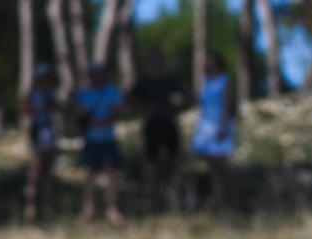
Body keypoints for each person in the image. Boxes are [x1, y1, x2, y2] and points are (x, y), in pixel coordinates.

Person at [129, 48, 186, 212]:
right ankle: (151, 199)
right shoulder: (143, 80)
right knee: (150, 163)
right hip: (151, 126)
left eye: (158, 59)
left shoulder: (170, 79)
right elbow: (131, 100)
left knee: (175, 163)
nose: (156, 62)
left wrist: (176, 109)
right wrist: (143, 111)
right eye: (153, 59)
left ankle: (177, 200)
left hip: (169, 124)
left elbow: (186, 97)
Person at [73, 62, 124, 223]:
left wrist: (104, 120)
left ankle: (112, 209)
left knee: (111, 174)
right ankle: (88, 209)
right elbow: (76, 113)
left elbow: (118, 111)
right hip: (90, 139)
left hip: (107, 138)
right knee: (89, 174)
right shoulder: (83, 94)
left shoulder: (111, 91)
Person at [190, 52, 236, 211]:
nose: (208, 65)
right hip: (205, 125)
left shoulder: (225, 81)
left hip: (219, 124)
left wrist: (223, 125)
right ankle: (219, 195)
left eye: (211, 62)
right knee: (209, 161)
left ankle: (232, 195)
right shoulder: (207, 82)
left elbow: (227, 104)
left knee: (221, 162)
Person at [20, 64, 60, 222]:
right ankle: (31, 207)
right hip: (38, 132)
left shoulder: (51, 95)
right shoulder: (32, 95)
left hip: (48, 132)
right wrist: (38, 108)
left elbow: (58, 110)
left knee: (47, 172)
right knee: (35, 171)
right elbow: (24, 110)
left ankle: (48, 206)